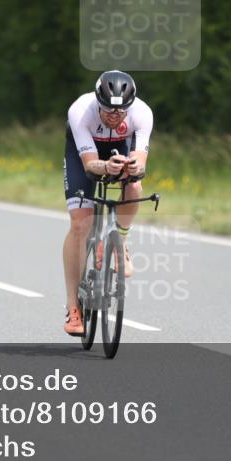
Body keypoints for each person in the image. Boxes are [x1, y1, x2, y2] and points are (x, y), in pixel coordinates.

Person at [61, 70, 152, 336]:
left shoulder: (142, 113)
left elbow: (140, 161)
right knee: (80, 223)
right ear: (98, 102)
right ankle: (72, 307)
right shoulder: (80, 110)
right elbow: (90, 165)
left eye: (121, 112)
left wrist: (133, 165)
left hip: (121, 148)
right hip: (85, 155)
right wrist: (106, 166)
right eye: (108, 111)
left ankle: (120, 240)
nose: (115, 116)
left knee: (135, 185)